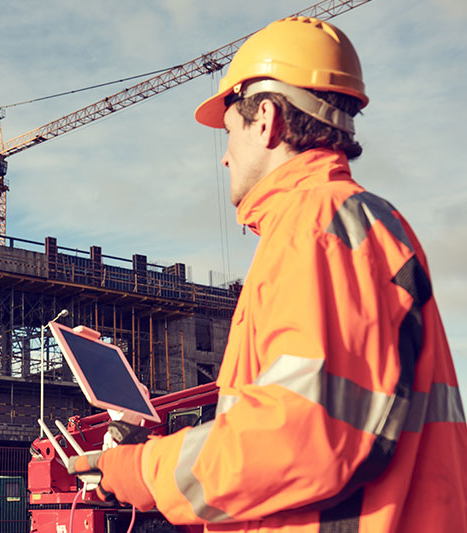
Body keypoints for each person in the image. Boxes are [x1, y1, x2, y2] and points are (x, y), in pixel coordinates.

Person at [70, 16, 467, 532]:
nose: (225, 160)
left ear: (266, 120)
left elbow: (301, 434)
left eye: (228, 133)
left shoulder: (315, 229)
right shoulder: (347, 224)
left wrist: (144, 469)